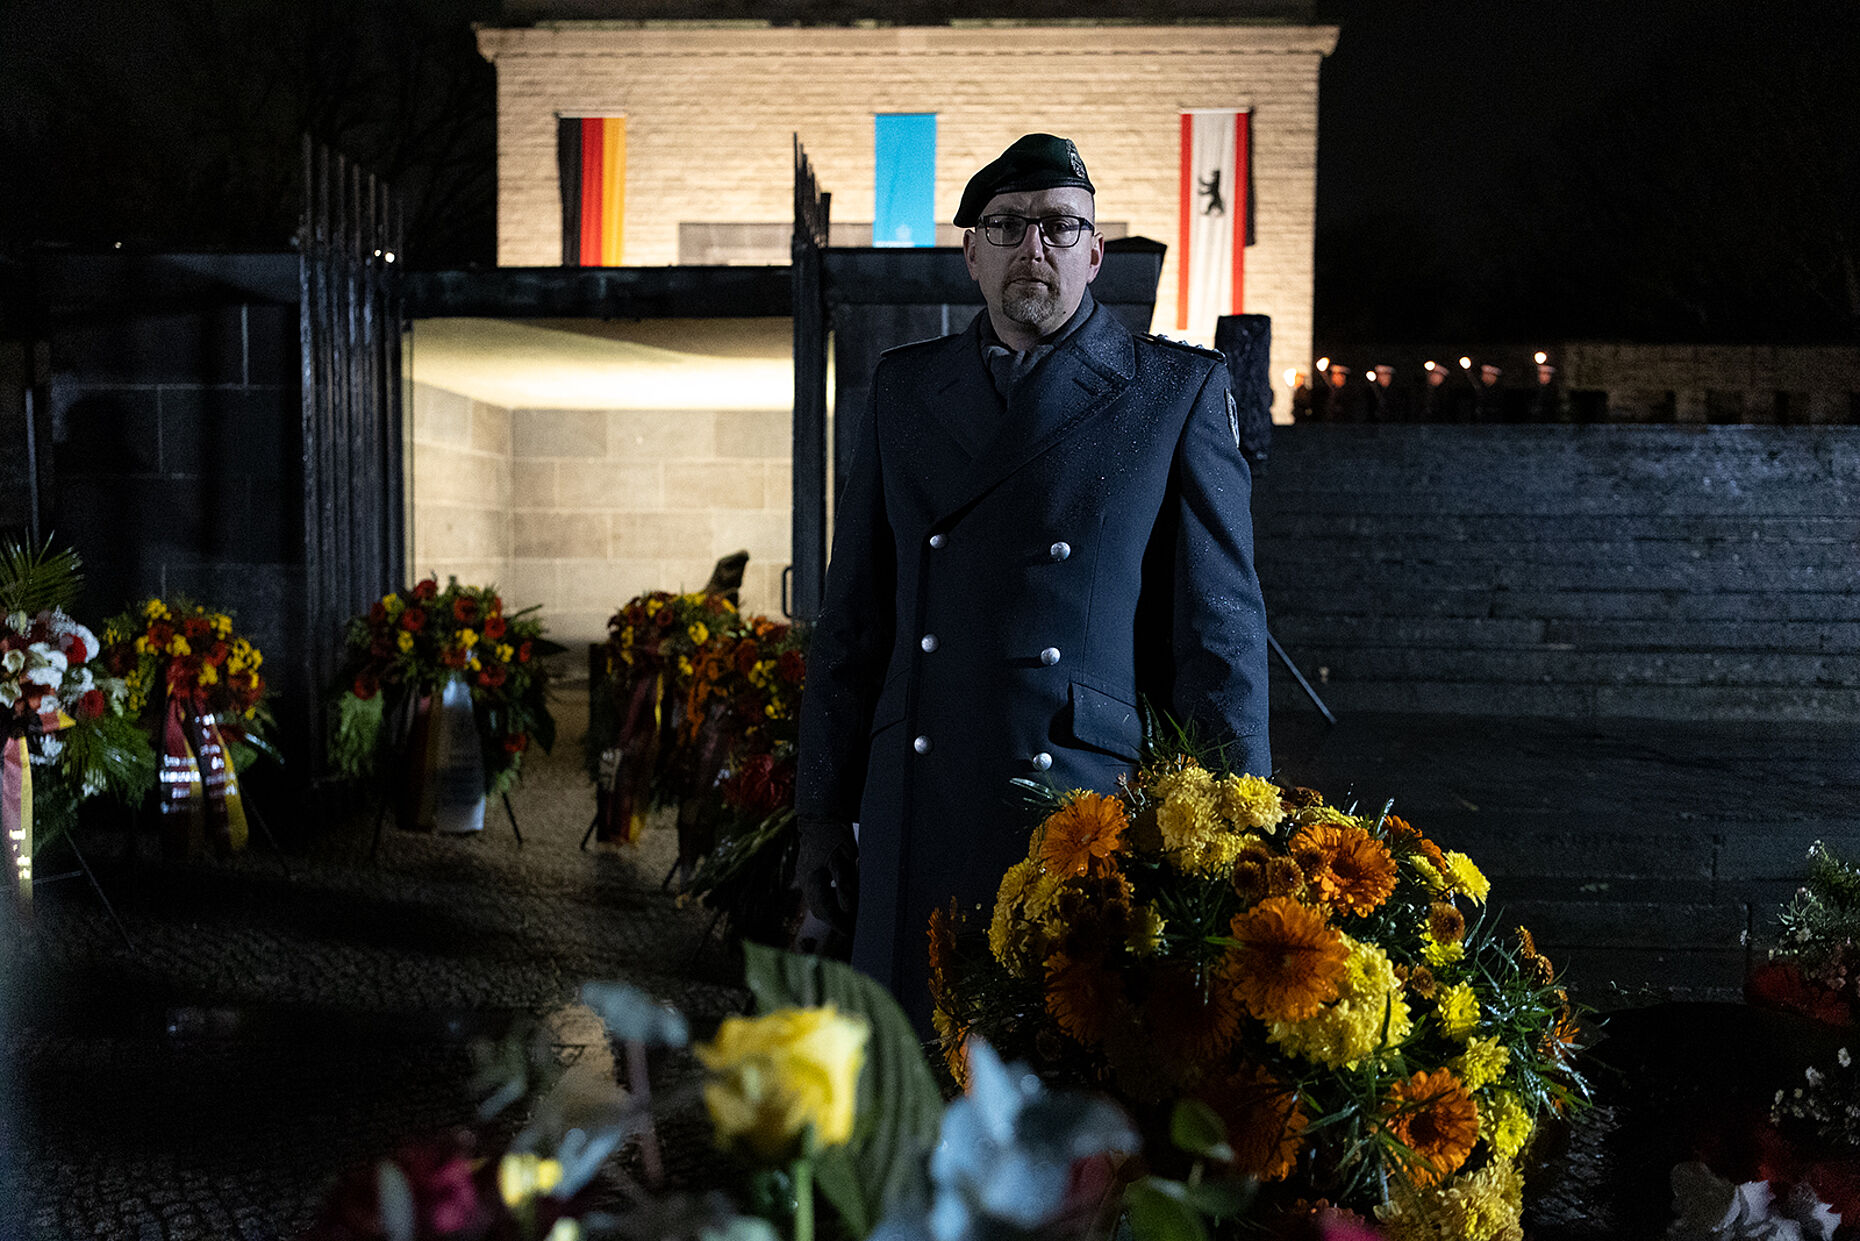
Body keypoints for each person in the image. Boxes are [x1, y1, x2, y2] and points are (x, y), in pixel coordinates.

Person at [793, 133, 1272, 1026]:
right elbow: (853, 618)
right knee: (908, 1098)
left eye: (1060, 226)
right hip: (916, 803)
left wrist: (1244, 839)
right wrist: (820, 807)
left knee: (1057, 1101)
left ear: (1095, 253)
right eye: (1007, 226)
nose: (1034, 247)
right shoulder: (905, 390)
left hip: (1078, 803)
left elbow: (1219, 642)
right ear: (971, 253)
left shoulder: (1174, 392)